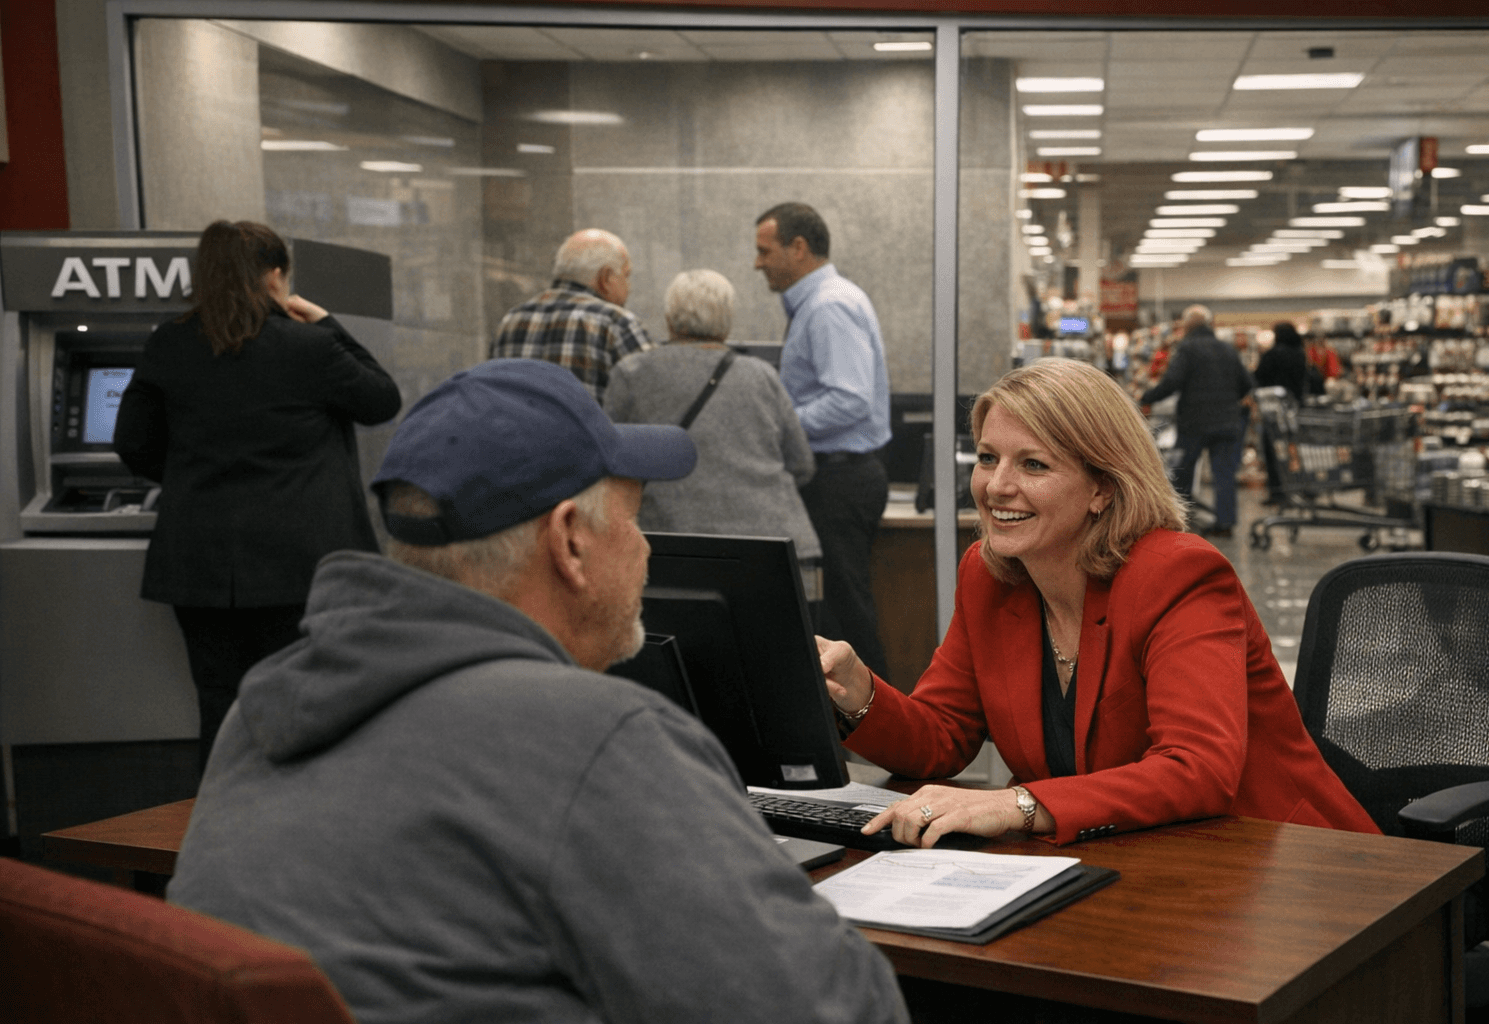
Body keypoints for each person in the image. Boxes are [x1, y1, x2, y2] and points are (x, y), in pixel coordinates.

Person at [167, 359, 909, 1024]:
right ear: (570, 541)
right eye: (635, 514)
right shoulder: (596, 738)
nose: (647, 547)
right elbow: (838, 1008)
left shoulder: (260, 711)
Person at [819, 358, 1378, 850]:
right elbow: (941, 736)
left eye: (1033, 465)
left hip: (1285, 868)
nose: (995, 486)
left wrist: (1015, 805)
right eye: (988, 458)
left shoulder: (1179, 574)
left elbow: (1197, 769)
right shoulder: (990, 577)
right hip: (1133, 866)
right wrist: (858, 691)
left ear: (1102, 488)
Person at [113, 220, 401, 772]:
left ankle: (216, 838)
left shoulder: (169, 343)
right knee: (301, 703)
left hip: (198, 564)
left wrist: (190, 483)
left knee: (220, 707)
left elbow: (132, 441)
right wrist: (330, 324)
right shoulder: (307, 345)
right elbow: (381, 400)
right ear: (274, 277)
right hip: (299, 563)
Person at [605, 269, 822, 591]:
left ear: (670, 318)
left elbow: (611, 464)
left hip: (677, 552)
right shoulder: (762, 375)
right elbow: (802, 464)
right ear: (727, 319)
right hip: (776, 552)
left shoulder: (633, 373)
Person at [754, 201, 891, 678]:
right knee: (837, 612)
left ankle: (881, 733)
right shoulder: (820, 302)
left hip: (839, 478)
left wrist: (779, 426)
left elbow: (850, 399)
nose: (757, 263)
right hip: (833, 476)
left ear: (798, 248)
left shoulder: (828, 305)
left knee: (845, 615)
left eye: (764, 250)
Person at [489, 228, 652, 402]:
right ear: (605, 278)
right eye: (626, 276)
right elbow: (657, 397)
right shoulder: (617, 324)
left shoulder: (510, 322)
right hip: (590, 430)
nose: (629, 287)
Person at [1138, 305, 1254, 538]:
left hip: (1195, 422)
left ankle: (1181, 519)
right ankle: (1225, 524)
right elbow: (1246, 384)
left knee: (1183, 470)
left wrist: (1145, 398)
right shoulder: (1227, 349)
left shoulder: (1187, 348)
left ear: (1188, 325)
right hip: (1227, 422)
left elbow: (1173, 381)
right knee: (1224, 476)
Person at [1253, 322, 1310, 505]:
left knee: (1273, 451)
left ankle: (1277, 491)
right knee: (1295, 451)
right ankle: (1299, 487)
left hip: (1273, 412)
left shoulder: (1272, 355)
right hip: (1296, 409)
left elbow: (1258, 377)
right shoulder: (1300, 354)